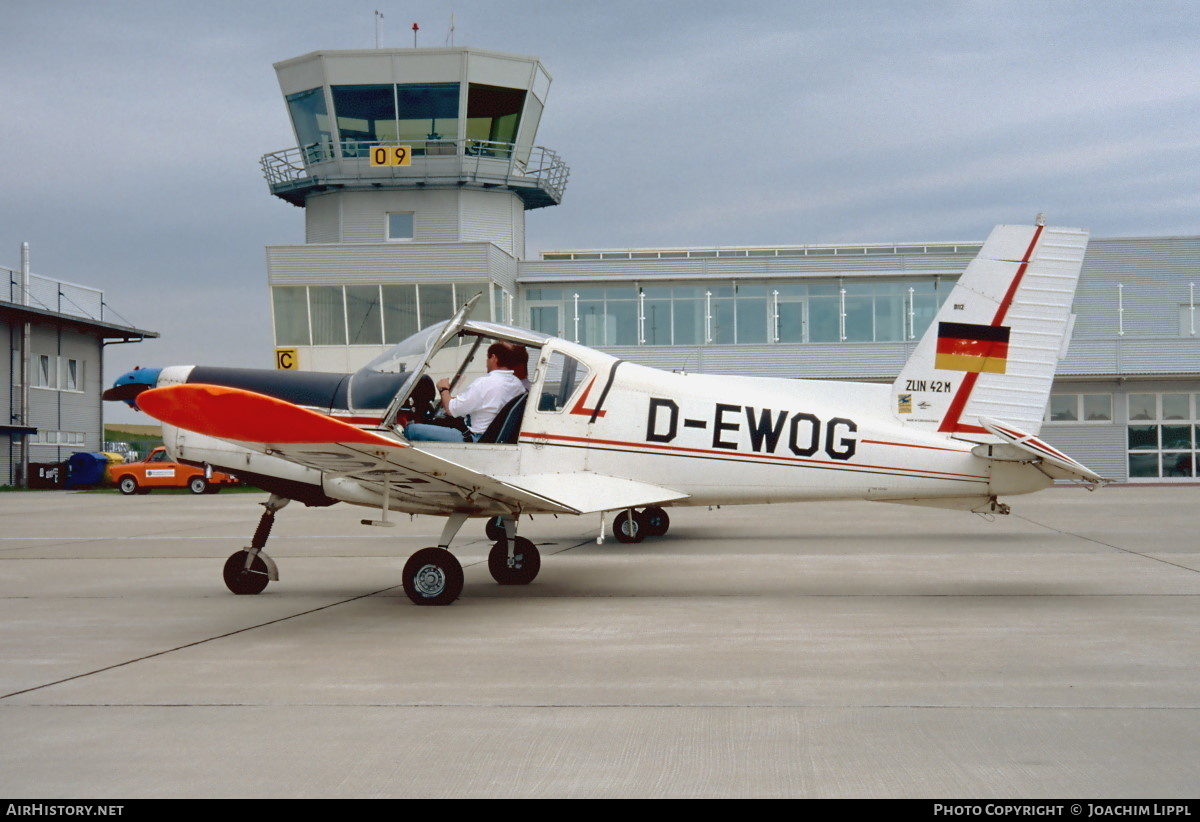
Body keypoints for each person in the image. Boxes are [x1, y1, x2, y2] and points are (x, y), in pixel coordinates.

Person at [404, 342, 526, 442]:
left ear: (494, 358)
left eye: (487, 358)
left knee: (411, 430)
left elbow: (451, 410)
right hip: (495, 437)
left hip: (476, 438)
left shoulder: (485, 383)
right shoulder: (517, 384)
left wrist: (443, 389)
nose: (487, 362)